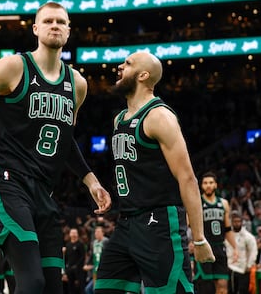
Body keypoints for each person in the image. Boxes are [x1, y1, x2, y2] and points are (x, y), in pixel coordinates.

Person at [0, 1, 111, 293]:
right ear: (35, 29)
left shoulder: (78, 84)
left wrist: (91, 180)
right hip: (7, 182)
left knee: (52, 286)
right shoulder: (13, 67)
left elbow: (64, 139)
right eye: (48, 21)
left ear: (69, 31)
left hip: (44, 191)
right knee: (31, 282)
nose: (55, 25)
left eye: (61, 21)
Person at [94, 51, 215, 294]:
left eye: (127, 64)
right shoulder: (119, 119)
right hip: (126, 222)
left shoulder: (159, 116)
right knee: (105, 288)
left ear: (143, 75)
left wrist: (199, 238)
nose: (119, 67)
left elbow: (187, 177)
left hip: (159, 223)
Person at [194, 171, 238, 294]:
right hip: (204, 246)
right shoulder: (197, 202)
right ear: (201, 185)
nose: (208, 185)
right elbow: (188, 226)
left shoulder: (224, 203)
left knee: (223, 287)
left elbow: (228, 229)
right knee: (206, 288)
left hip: (220, 248)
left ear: (216, 185)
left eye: (211, 183)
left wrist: (235, 248)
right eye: (205, 183)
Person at [225, 211, 257, 294]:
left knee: (243, 291)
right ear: (231, 222)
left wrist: (249, 265)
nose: (237, 223)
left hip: (243, 268)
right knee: (230, 291)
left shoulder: (248, 236)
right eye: (235, 221)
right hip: (230, 267)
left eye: (238, 221)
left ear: (242, 222)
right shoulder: (227, 236)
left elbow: (253, 251)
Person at [83, 226, 109, 294]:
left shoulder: (106, 241)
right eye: (95, 232)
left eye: (98, 232)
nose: (96, 233)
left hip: (104, 271)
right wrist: (87, 264)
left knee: (97, 289)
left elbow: (108, 256)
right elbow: (92, 255)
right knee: (89, 289)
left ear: (103, 233)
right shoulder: (94, 243)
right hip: (95, 270)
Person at [63, 228, 86, 294]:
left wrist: (77, 266)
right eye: (72, 233)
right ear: (70, 234)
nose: (73, 234)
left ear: (77, 234)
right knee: (70, 287)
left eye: (75, 233)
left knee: (80, 287)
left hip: (78, 269)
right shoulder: (68, 245)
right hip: (69, 269)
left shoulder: (80, 244)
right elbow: (66, 258)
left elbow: (83, 257)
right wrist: (65, 270)